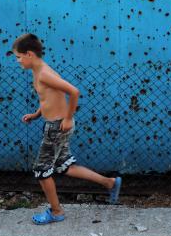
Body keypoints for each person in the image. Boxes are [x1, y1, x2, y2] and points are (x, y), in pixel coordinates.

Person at [12, 33, 122, 225]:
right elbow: (48, 97)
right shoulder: (39, 71)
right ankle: (110, 183)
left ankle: (56, 211)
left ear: (29, 54)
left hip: (57, 127)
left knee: (41, 170)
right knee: (66, 167)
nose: (18, 61)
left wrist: (69, 118)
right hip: (55, 124)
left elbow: (73, 91)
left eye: (19, 57)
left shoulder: (44, 73)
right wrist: (37, 114)